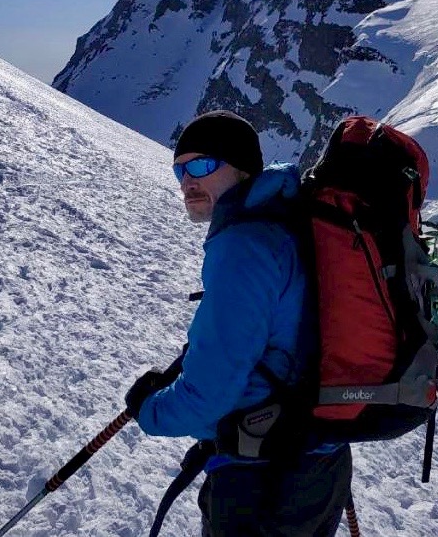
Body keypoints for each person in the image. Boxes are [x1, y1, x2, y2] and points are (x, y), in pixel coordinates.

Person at [124, 110, 352, 537]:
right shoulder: (286, 220)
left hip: (265, 475)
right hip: (321, 458)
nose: (188, 180)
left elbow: (207, 397)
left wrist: (149, 411)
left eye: (203, 164)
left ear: (243, 168)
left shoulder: (243, 245)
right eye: (180, 168)